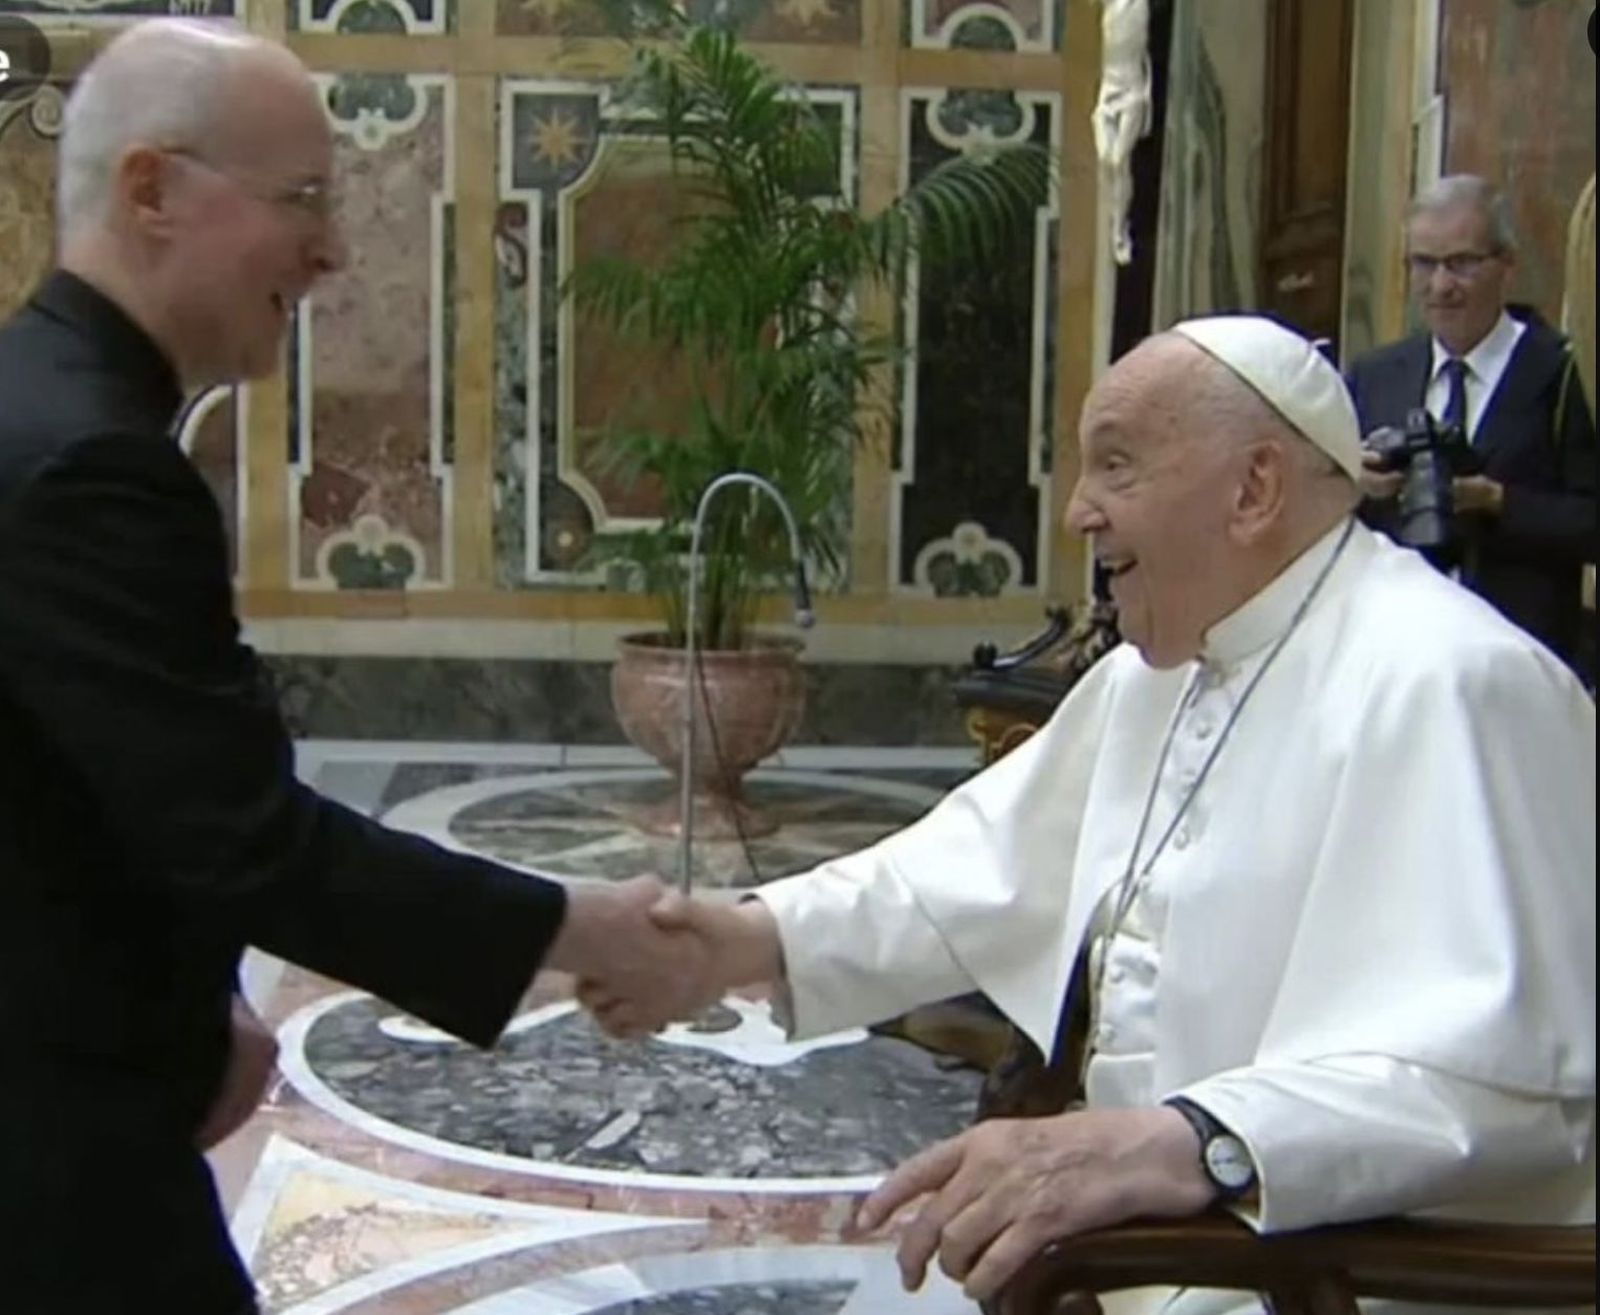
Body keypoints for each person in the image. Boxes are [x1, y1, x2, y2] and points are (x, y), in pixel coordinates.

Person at [584, 316, 1597, 1314]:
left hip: (1332, 1271)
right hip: (1142, 1248)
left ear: (1253, 488)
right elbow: (963, 873)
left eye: (1115, 467)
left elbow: (1510, 1088)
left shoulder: (1457, 683)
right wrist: (743, 940)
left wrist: (1183, 1139)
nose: (1076, 512)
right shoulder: (1149, 677)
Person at [0, 21, 707, 1314]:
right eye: (304, 200)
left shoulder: (41, 406)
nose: (329, 252)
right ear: (153, 188)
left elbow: (86, 806)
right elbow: (243, 839)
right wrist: (574, 925)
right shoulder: (89, 464)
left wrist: (176, 1005)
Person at [1345, 174, 1597, 676]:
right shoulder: (1375, 376)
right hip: (1396, 660)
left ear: (1506, 267)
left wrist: (1496, 501)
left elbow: (1591, 523)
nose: (1441, 286)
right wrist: (1354, 484)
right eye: (1425, 263)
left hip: (1523, 661)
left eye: (1462, 263)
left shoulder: (1563, 373)